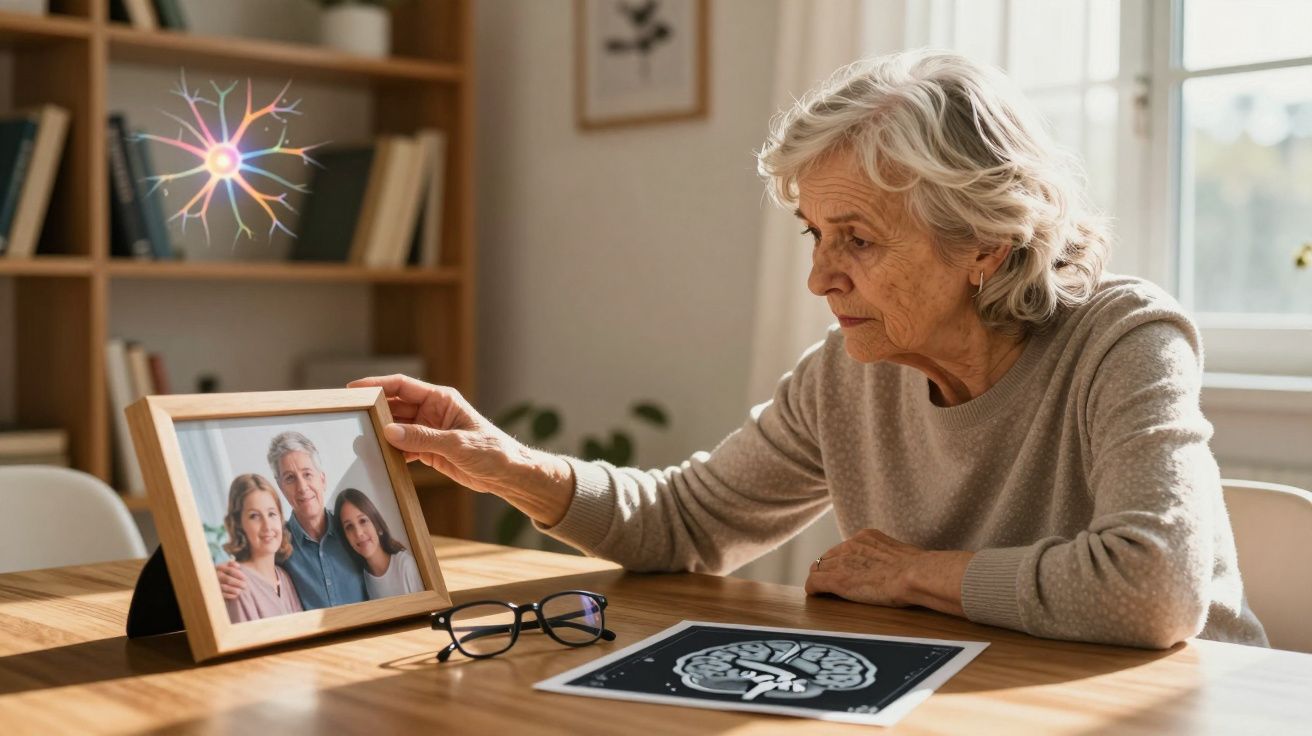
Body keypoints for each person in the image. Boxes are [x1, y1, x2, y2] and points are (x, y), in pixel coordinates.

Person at [351, 51, 1267, 649]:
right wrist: (506, 465)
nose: (820, 279)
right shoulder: (847, 375)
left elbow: (1153, 590)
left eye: (858, 239)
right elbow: (684, 525)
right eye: (813, 235)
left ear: (985, 242)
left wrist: (913, 572)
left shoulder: (1125, 338)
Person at [216, 431, 367, 608]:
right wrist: (218, 578)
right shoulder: (275, 543)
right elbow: (246, 573)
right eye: (290, 478)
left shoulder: (352, 530)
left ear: (322, 479)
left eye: (307, 474)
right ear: (280, 487)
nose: (302, 487)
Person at [221, 474, 304, 623]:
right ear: (239, 524)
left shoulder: (284, 577)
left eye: (272, 514)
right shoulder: (237, 583)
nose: (267, 526)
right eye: (254, 516)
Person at [334, 487, 424, 598]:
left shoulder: (406, 566)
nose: (358, 533)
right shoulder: (359, 581)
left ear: (377, 525)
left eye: (363, 521)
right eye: (349, 527)